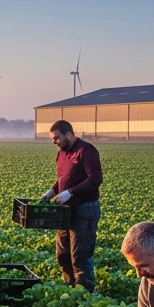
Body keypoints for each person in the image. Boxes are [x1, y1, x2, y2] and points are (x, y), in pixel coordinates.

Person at [40, 120, 103, 291]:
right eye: (53, 139)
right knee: (63, 254)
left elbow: (95, 179)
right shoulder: (62, 154)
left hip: (84, 208)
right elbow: (63, 179)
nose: (54, 142)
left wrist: (71, 192)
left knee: (80, 256)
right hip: (65, 211)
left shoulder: (86, 150)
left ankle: (84, 292)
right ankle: (70, 286)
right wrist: (52, 192)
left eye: (56, 138)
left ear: (69, 134)